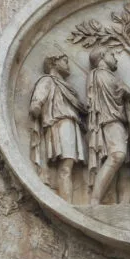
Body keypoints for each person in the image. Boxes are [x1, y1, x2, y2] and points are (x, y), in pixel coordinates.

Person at [86, 48, 130, 204]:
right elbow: (115, 94)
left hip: (123, 123)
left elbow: (126, 95)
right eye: (111, 54)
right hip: (110, 120)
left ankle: (124, 208)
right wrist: (125, 90)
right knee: (117, 156)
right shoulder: (99, 74)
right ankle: (95, 200)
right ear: (102, 56)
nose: (116, 58)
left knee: (126, 168)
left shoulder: (110, 76)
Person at [30, 53, 86, 202]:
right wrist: (37, 107)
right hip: (60, 123)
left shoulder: (67, 87)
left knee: (69, 166)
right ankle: (67, 204)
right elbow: (36, 103)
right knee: (66, 167)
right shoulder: (48, 81)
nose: (68, 66)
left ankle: (68, 202)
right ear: (54, 62)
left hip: (71, 124)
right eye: (65, 61)